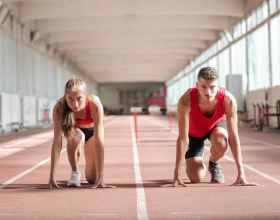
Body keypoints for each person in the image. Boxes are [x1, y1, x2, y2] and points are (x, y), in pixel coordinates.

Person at [173, 67, 257, 186]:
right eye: (204, 87)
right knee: (196, 178)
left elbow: (233, 137)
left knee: (221, 141)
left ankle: (213, 163)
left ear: (218, 85)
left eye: (212, 87)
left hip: (215, 127)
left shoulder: (228, 100)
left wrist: (241, 174)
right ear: (197, 85)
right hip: (194, 134)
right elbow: (182, 138)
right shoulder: (185, 100)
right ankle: (197, 157)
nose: (208, 92)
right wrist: (177, 173)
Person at [48, 77, 113, 189]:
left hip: (92, 133)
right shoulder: (59, 108)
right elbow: (57, 143)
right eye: (70, 99)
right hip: (74, 132)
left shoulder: (94, 104)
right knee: (77, 135)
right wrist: (51, 177)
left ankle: (95, 175)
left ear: (85, 96)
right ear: (65, 97)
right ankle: (75, 171)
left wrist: (101, 177)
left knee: (92, 179)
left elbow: (99, 142)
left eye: (79, 99)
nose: (75, 104)